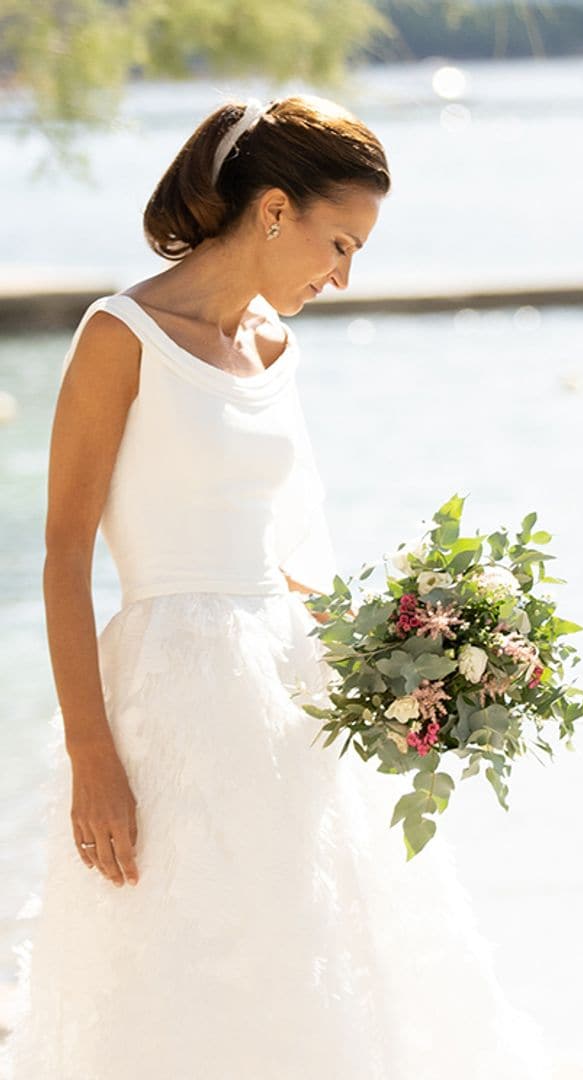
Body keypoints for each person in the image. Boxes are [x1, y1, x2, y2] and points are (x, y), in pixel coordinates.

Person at [1, 94, 553, 1080]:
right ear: (270, 211)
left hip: (288, 701)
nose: (342, 276)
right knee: (177, 974)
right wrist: (91, 753)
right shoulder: (120, 334)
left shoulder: (274, 347)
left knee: (317, 971)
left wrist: (404, 670)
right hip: (167, 706)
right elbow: (61, 552)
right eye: (337, 244)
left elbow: (299, 547)